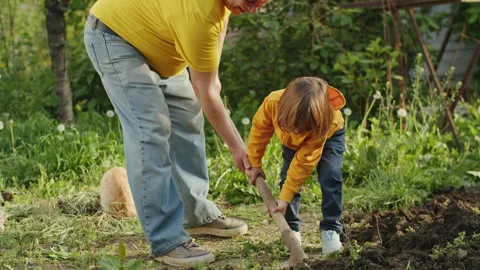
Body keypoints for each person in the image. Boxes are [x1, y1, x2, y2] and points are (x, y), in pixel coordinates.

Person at [83, 0, 269, 267]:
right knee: (150, 129)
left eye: (262, 2)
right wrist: (237, 147)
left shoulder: (222, 8)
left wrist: (239, 145)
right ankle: (166, 240)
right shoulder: (198, 14)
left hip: (160, 42)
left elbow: (209, 83)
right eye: (251, 1)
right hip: (117, 37)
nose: (254, 8)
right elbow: (207, 92)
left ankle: (195, 215)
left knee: (187, 116)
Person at [245, 77, 346, 255]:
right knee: (286, 177)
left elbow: (303, 165)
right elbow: (260, 132)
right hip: (296, 135)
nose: (297, 133)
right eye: (293, 127)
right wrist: (254, 164)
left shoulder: (323, 123)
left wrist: (283, 199)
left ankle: (331, 229)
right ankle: (292, 229)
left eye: (302, 129)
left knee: (331, 176)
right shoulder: (272, 103)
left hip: (328, 135)